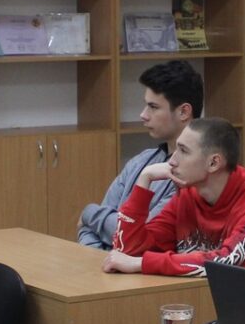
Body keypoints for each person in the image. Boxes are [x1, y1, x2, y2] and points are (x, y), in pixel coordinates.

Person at [103, 118, 245, 278]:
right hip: (211, 300)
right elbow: (127, 252)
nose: (172, 160)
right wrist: (144, 180)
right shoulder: (189, 193)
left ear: (214, 163)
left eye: (183, 151)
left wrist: (141, 263)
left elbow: (224, 264)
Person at [76, 60, 200, 248]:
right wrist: (97, 256)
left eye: (153, 107)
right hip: (109, 262)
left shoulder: (193, 175)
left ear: (184, 111)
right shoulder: (140, 161)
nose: (143, 115)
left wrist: (88, 212)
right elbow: (90, 229)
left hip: (147, 264)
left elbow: (139, 237)